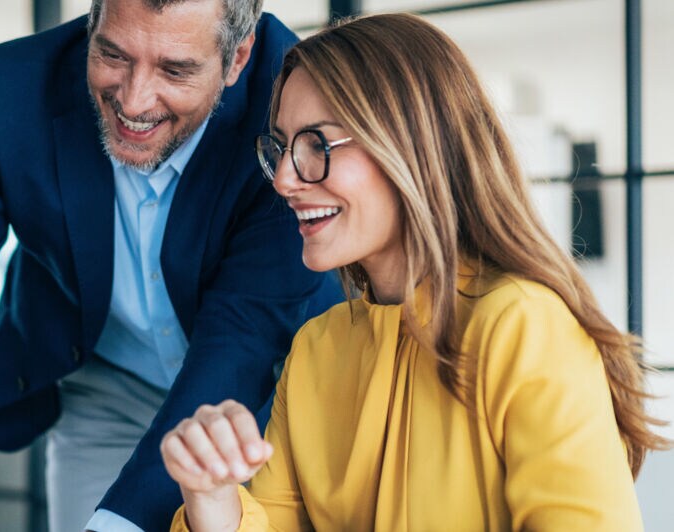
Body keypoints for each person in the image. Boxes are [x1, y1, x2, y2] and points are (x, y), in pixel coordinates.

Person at [160, 13, 671, 531]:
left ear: (407, 147)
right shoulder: (317, 349)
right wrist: (212, 497)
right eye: (282, 147)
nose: (286, 178)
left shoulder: (523, 326)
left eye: (317, 144)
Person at [0, 1, 343, 530]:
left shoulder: (291, 105)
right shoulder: (12, 86)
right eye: (112, 54)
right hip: (103, 385)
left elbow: (242, 344)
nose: (133, 100)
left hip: (254, 401)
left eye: (175, 70)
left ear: (238, 57)